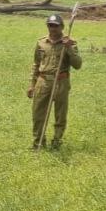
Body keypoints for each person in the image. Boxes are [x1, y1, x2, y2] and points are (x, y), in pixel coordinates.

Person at [27, 13, 82, 150]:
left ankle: (57, 141)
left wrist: (69, 48)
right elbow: (36, 64)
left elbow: (77, 65)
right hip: (43, 81)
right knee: (38, 114)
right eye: (50, 25)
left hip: (61, 82)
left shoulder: (69, 43)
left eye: (56, 26)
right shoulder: (41, 43)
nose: (53, 28)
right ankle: (38, 142)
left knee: (60, 115)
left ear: (62, 27)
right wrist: (32, 85)